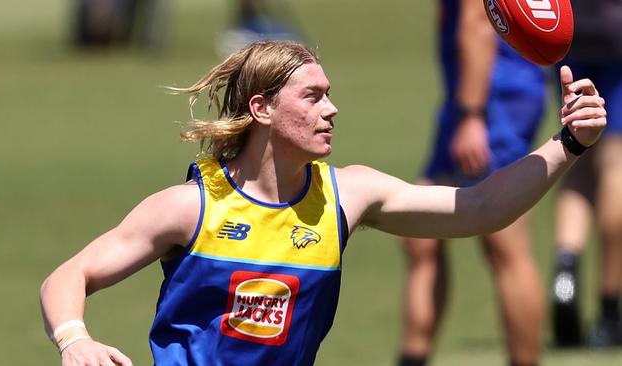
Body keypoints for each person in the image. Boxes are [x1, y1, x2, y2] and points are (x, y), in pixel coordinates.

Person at [39, 40, 606, 366]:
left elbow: (480, 209)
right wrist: (75, 339)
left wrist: (569, 143)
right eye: (312, 97)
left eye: (329, 95)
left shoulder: (348, 194)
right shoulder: (190, 207)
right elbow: (71, 274)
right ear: (262, 109)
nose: (331, 109)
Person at [399, 1, 547, 365]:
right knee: (420, 238)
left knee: (505, 243)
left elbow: (479, 20)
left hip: (492, 98)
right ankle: (412, 357)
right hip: (470, 97)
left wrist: (472, 116)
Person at [550, 0, 622, 348]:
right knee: (615, 164)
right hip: (616, 33)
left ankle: (566, 271)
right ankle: (609, 311)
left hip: (570, 31)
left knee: (578, 157)